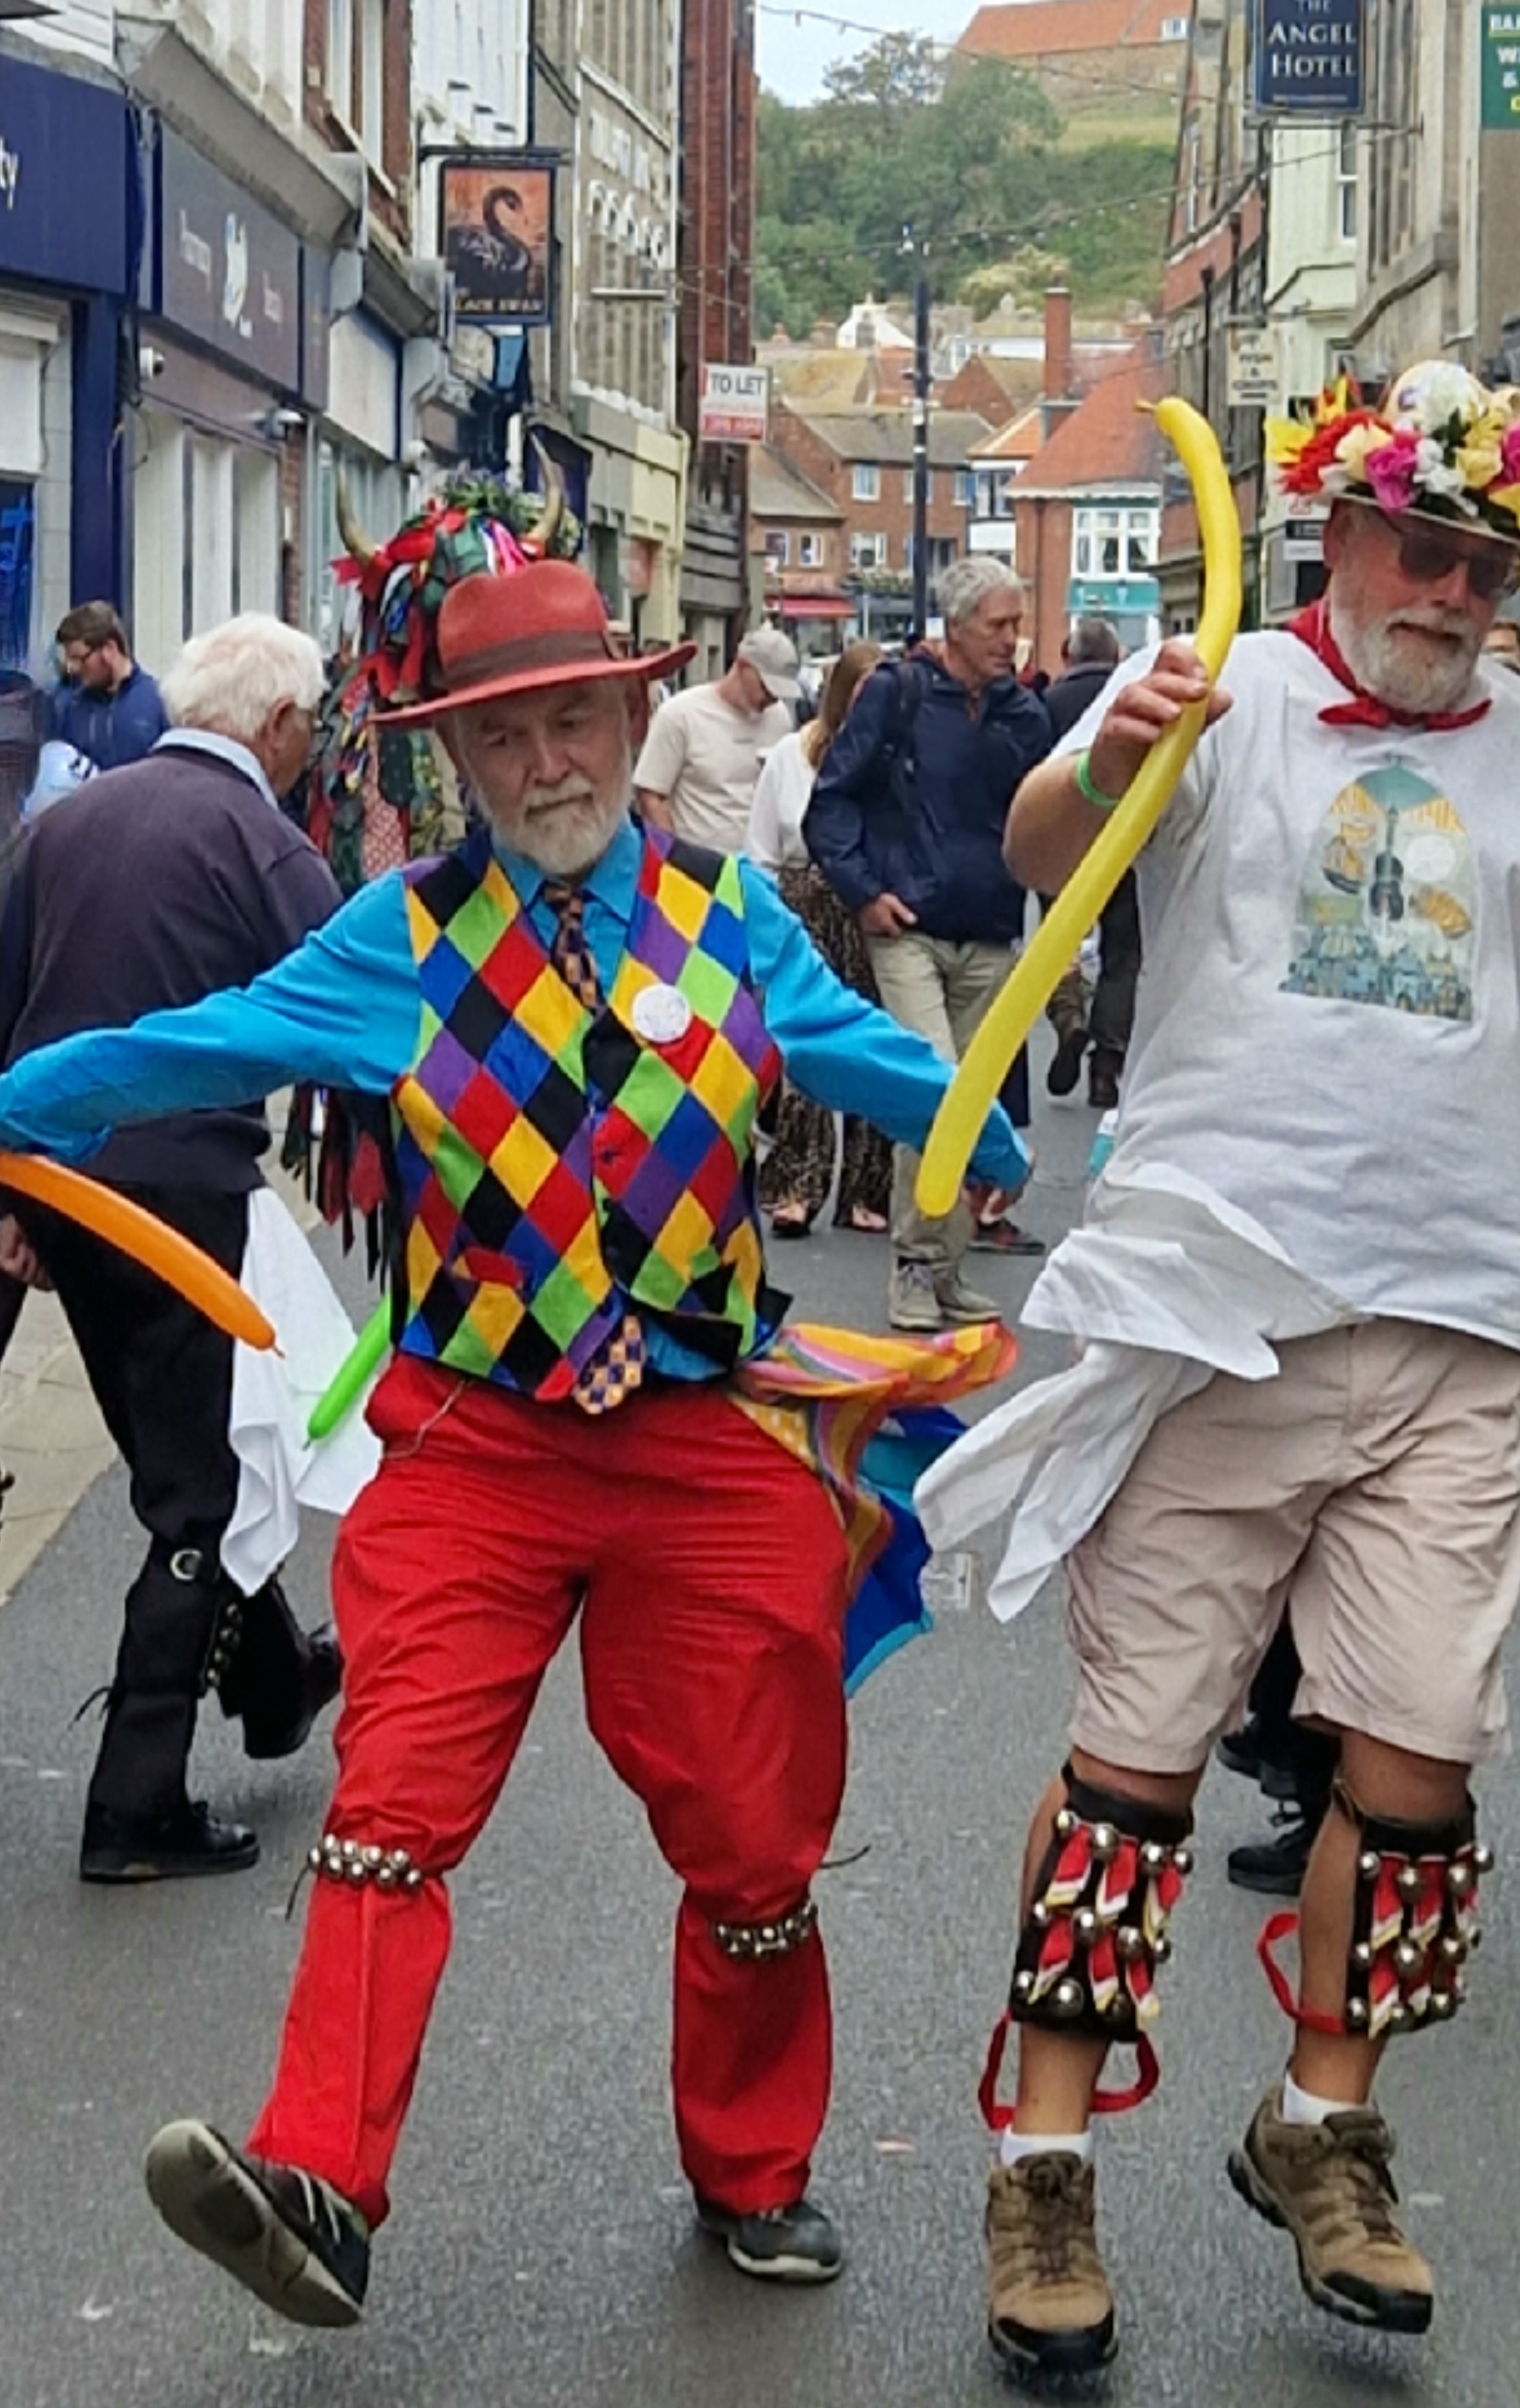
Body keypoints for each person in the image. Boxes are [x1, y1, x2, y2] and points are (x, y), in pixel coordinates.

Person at [913, 362, 1520, 2383]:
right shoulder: (1230, 695)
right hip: (1211, 1310)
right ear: (1339, 536)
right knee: (1137, 1773)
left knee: (1422, 1775)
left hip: (1447, 1328)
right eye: (1426, 548)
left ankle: (1323, 2127)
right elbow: (1038, 855)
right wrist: (1110, 753)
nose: (1456, 590)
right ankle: (1044, 2163)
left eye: (1489, 563)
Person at [0, 559, 1028, 2326]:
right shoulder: (391, 942)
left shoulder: (736, 924)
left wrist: (989, 1131)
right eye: (501, 734)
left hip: (707, 1438)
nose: (545, 761)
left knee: (756, 1831)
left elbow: (872, 1060)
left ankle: (755, 2164)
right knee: (392, 1805)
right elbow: (193, 1043)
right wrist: (21, 1103)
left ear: (635, 721)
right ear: (456, 758)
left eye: (572, 719)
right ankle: (317, 2179)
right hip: (480, 1447)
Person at [0, 614, 346, 1881]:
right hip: (184, 1194)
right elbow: (352, 1011)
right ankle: (133, 1806)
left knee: (174, 1447)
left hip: (57, 1185)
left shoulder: (63, 822)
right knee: (197, 1492)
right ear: (280, 725)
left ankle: (276, 1676)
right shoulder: (264, 842)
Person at [807, 556, 1053, 1331]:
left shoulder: (1023, 715)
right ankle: (914, 1269)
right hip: (910, 928)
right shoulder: (898, 693)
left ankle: (946, 1271)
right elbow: (831, 802)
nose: (1012, 642)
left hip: (990, 932)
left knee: (973, 1104)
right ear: (957, 626)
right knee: (939, 1092)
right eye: (999, 626)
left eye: (1017, 625)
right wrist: (861, 892)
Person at [747, 638, 894, 1238]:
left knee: (867, 1040)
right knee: (803, 1042)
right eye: (863, 692)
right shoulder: (791, 754)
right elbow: (761, 845)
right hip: (801, 898)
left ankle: (867, 1189)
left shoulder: (892, 757)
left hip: (867, 901)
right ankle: (797, 1185)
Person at [1044, 619, 1140, 1110]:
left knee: (1057, 942)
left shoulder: (1049, 703)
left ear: (1069, 656)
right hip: (1122, 841)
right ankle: (1106, 1065)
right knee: (1122, 954)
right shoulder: (1131, 697)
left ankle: (1068, 1019)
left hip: (1063, 837)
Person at [632, 626, 799, 851]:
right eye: (766, 686)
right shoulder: (681, 715)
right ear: (742, 666)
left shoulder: (779, 720)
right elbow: (651, 794)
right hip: (699, 868)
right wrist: (673, 855)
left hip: (760, 867)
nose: (772, 698)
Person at [50, 602, 169, 773]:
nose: (74, 668)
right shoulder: (69, 707)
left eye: (79, 658)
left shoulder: (158, 704)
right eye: (70, 661)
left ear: (110, 649)